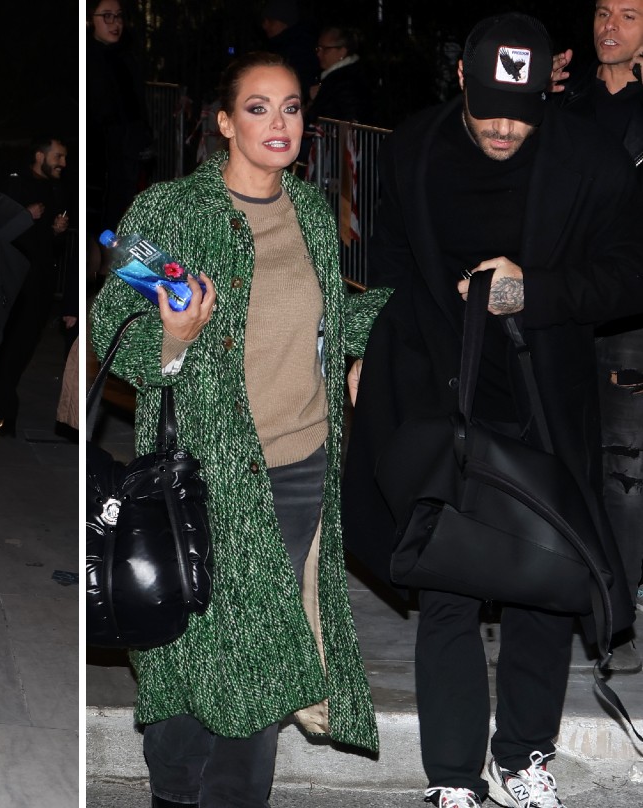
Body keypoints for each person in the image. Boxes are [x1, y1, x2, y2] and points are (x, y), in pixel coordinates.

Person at [341, 13, 643, 808]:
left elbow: (629, 274)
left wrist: (531, 293)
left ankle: (524, 758)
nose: (506, 129)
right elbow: (391, 256)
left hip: (546, 402)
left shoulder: (590, 159)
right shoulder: (415, 146)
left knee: (543, 579)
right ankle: (451, 776)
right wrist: (368, 347)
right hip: (441, 392)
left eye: (523, 113)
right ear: (461, 85)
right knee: (448, 582)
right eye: (489, 113)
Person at [90, 51, 388, 808]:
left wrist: (386, 330)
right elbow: (109, 328)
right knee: (190, 648)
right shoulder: (169, 212)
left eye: (291, 107)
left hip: (299, 466)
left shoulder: (312, 212)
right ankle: (174, 790)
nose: (278, 123)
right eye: (258, 108)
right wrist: (175, 337)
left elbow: (326, 321)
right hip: (202, 474)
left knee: (262, 659)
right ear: (224, 122)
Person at [556, 0, 643, 673]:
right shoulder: (567, 96)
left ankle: (618, 619)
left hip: (629, 312)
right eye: (603, 12)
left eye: (629, 15)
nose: (609, 26)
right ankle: (555, 594)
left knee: (625, 467)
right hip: (560, 301)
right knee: (560, 454)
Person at [0, 135, 70, 437]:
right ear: (40, 156)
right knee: (7, 341)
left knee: (24, 343)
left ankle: (3, 392)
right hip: (13, 280)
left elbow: (51, 243)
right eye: (58, 156)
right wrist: (26, 216)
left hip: (40, 282)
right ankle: (6, 405)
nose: (63, 163)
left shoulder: (55, 189)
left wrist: (57, 232)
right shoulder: (15, 184)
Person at [87, 0, 152, 236]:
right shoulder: (87, 59)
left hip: (127, 150)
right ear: (89, 20)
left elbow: (138, 105)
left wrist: (143, 138)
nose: (115, 23)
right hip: (97, 153)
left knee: (123, 212)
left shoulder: (128, 57)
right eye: (107, 16)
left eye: (119, 16)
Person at [306, 25, 375, 125]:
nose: (318, 54)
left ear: (342, 52)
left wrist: (314, 103)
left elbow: (348, 121)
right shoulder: (343, 76)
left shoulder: (346, 81)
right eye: (318, 49)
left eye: (325, 49)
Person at [258, 0, 320, 101]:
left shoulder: (301, 49)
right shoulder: (273, 46)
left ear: (285, 23)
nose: (265, 26)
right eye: (264, 21)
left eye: (271, 21)